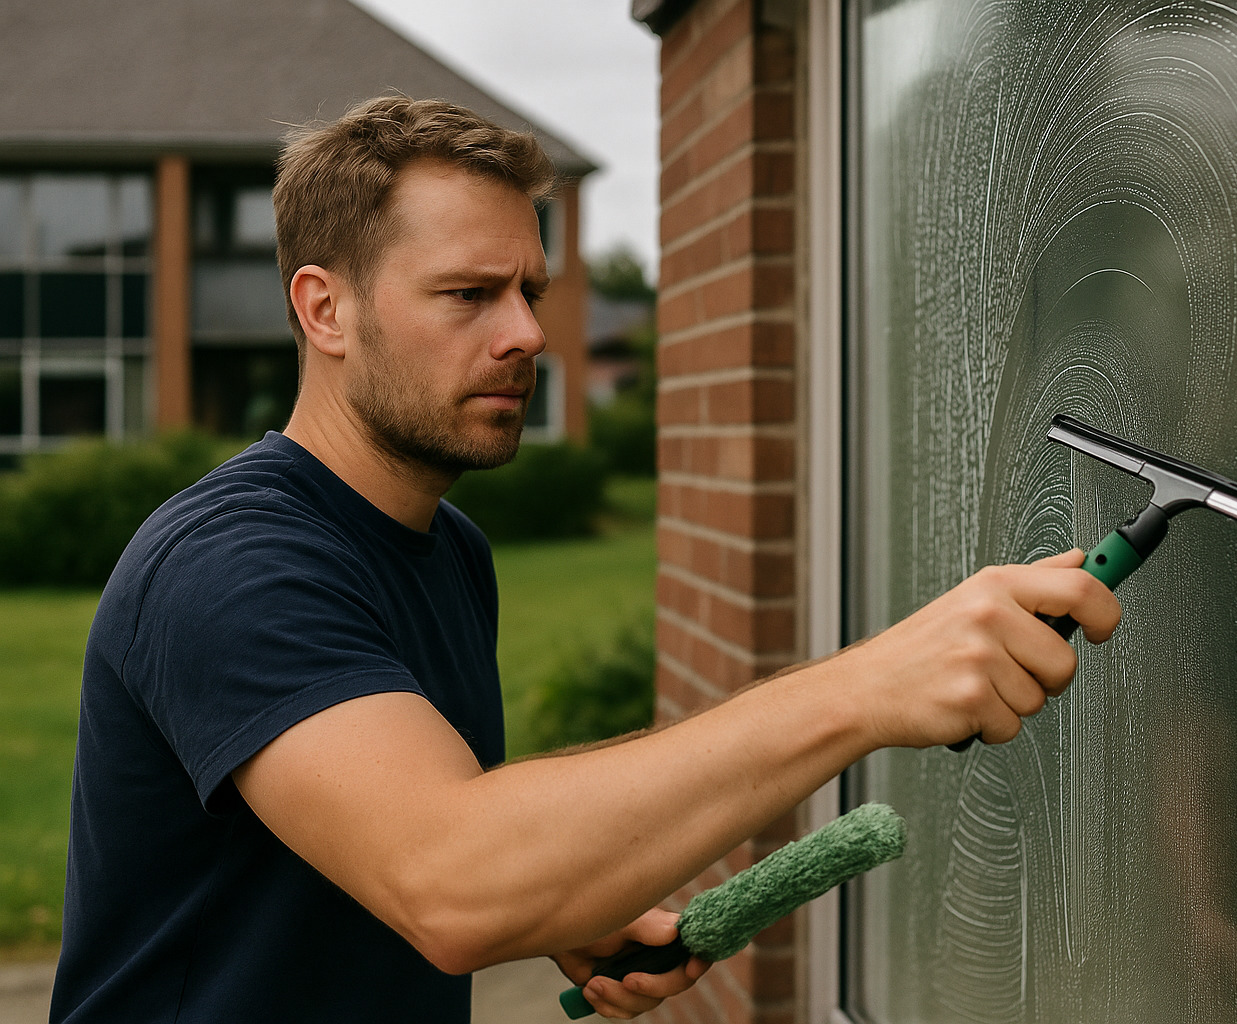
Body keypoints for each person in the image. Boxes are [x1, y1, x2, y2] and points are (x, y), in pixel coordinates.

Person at [48, 96, 1121, 1023]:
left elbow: (408, 851)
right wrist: (869, 683)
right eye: (469, 295)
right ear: (325, 309)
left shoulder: (448, 549)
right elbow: (451, 878)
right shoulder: (229, 565)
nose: (526, 332)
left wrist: (563, 898)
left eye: (531, 288)